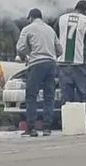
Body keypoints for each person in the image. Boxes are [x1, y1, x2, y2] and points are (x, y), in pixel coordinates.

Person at [16, 8, 62, 136]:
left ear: (30, 18)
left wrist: (25, 57)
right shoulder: (50, 29)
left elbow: (20, 48)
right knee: (49, 96)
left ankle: (31, 128)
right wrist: (52, 56)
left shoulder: (28, 29)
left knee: (31, 96)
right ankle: (47, 127)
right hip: (51, 64)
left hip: (36, 64)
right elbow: (60, 50)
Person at [57, 0, 86, 129]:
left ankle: (67, 124)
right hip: (80, 63)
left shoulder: (61, 19)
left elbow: (56, 36)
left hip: (62, 63)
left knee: (66, 96)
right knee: (85, 94)